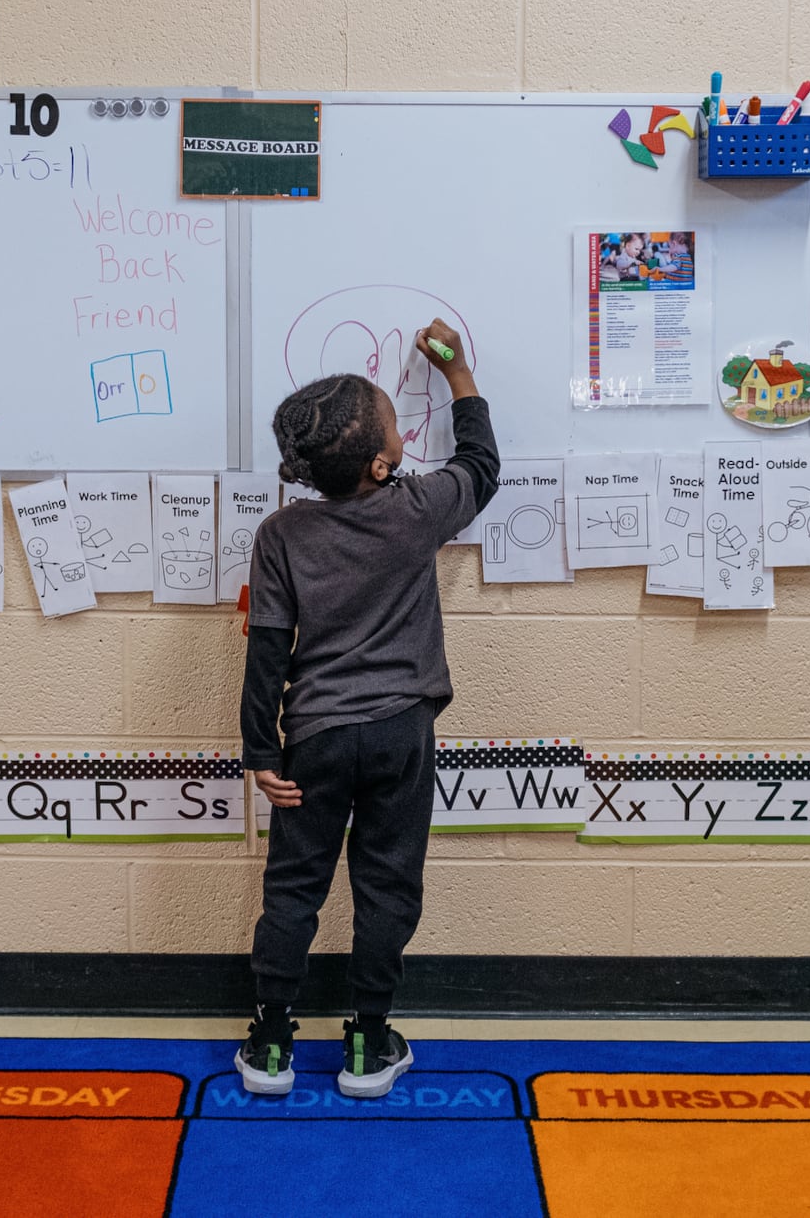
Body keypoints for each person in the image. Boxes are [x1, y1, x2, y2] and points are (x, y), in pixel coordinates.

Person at [236, 318, 498, 1100]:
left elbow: (267, 652)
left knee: (293, 888)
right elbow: (481, 466)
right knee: (387, 886)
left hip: (312, 738)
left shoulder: (280, 533)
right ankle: (367, 1042)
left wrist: (261, 751)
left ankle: (273, 1042)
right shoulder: (414, 509)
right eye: (393, 419)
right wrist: (458, 377)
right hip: (400, 734)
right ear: (383, 464)